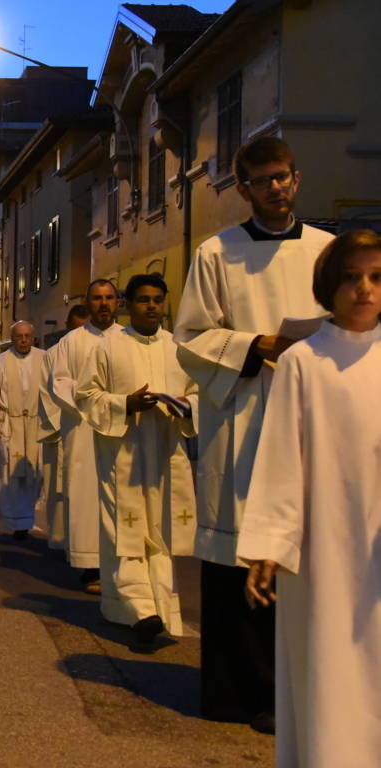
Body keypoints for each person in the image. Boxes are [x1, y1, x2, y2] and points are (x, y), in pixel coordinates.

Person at [173, 136, 334, 732]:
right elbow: (190, 337)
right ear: (242, 187)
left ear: (297, 178)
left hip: (309, 418)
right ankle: (232, 694)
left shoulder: (327, 250)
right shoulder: (217, 253)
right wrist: (258, 344)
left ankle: (295, 695)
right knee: (237, 556)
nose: (275, 187)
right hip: (241, 418)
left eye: (284, 177)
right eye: (262, 180)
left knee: (301, 560)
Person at [238, 231, 381, 767]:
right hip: (323, 548)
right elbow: (280, 457)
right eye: (351, 277)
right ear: (329, 284)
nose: (364, 289)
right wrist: (269, 545)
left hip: (377, 543)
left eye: (375, 277)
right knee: (327, 672)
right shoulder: (305, 361)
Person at [77, 275, 197, 644]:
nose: (151, 306)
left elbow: (195, 393)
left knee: (159, 529)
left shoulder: (178, 347)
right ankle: (137, 607)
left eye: (157, 299)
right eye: (143, 300)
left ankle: (160, 608)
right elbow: (85, 395)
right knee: (126, 530)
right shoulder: (109, 346)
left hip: (165, 451)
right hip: (122, 451)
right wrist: (124, 404)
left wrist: (185, 408)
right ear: (129, 304)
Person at [47, 281, 123, 592]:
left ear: (117, 302)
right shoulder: (71, 342)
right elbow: (60, 380)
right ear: (88, 303)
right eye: (97, 298)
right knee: (87, 494)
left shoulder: (128, 339)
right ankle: (91, 565)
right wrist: (88, 403)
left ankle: (121, 564)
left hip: (120, 426)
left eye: (109, 298)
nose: (103, 304)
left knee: (120, 495)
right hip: (83, 427)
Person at [0, 321, 46, 537]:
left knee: (32, 475)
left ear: (33, 337)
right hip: (10, 425)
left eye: (27, 336)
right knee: (10, 475)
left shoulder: (44, 358)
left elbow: (51, 392)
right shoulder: (1, 361)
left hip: (35, 425)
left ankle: (26, 518)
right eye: (18, 336)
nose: (23, 340)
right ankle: (14, 520)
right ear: (12, 338)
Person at [38, 305, 90, 552]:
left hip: (93, 431)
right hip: (62, 430)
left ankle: (87, 544)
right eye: (77, 328)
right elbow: (46, 392)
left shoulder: (101, 349)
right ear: (68, 327)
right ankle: (61, 540)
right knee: (59, 491)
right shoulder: (53, 354)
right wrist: (67, 422)